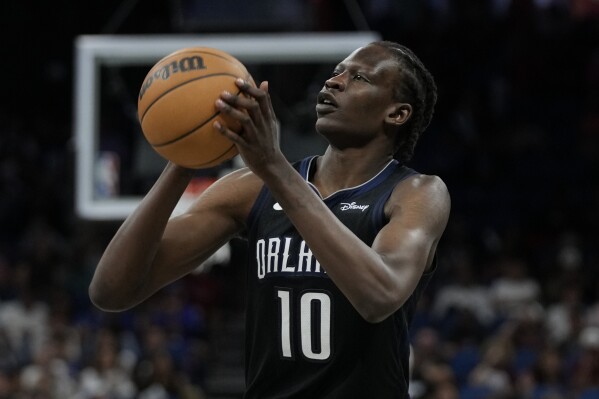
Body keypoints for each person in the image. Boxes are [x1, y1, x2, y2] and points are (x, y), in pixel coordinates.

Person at [89, 40, 451, 398]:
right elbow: (111, 290)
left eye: (359, 78)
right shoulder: (251, 188)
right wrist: (186, 154)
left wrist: (274, 167)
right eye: (336, 72)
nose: (333, 82)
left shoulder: (416, 192)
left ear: (396, 113)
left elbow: (380, 294)